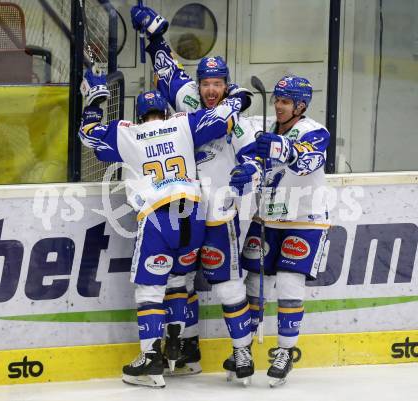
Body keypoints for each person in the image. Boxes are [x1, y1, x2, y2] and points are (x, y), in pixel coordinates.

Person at [79, 67, 244, 388]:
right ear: (165, 112)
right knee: (180, 280)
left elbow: (88, 136)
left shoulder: (127, 132)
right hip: (195, 214)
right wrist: (235, 97)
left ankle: (151, 359)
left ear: (140, 116)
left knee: (150, 289)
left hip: (158, 216)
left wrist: (94, 101)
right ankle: (181, 352)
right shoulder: (182, 123)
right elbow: (222, 119)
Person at [130, 5, 257, 383]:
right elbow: (166, 67)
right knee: (176, 281)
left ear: (226, 85)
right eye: (206, 83)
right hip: (183, 211)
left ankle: (242, 353)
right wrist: (152, 36)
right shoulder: (187, 99)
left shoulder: (238, 119)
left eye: (218, 84)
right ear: (199, 85)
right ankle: (186, 348)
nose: (211, 90)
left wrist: (243, 176)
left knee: (228, 282)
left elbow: (252, 160)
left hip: (217, 213)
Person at [229, 75, 330, 386]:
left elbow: (308, 161)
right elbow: (257, 164)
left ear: (300, 105)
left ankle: (285, 352)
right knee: (254, 284)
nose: (278, 105)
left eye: (285, 102)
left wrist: (285, 150)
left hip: (304, 219)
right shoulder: (267, 127)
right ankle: (242, 349)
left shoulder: (314, 131)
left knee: (288, 283)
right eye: (277, 100)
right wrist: (247, 172)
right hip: (267, 219)